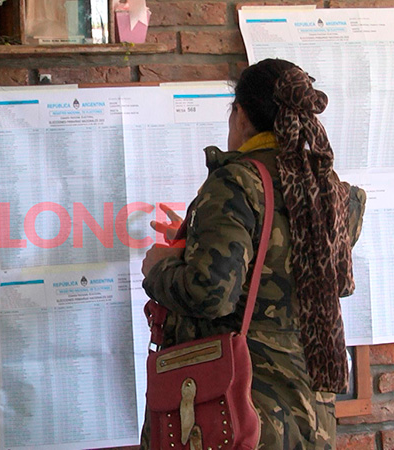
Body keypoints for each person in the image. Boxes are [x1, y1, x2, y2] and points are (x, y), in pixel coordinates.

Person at [139, 58, 366, 449]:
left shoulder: (237, 184)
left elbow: (209, 293)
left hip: (242, 409)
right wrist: (200, 233)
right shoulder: (330, 193)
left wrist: (159, 269)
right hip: (312, 413)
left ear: (241, 115)